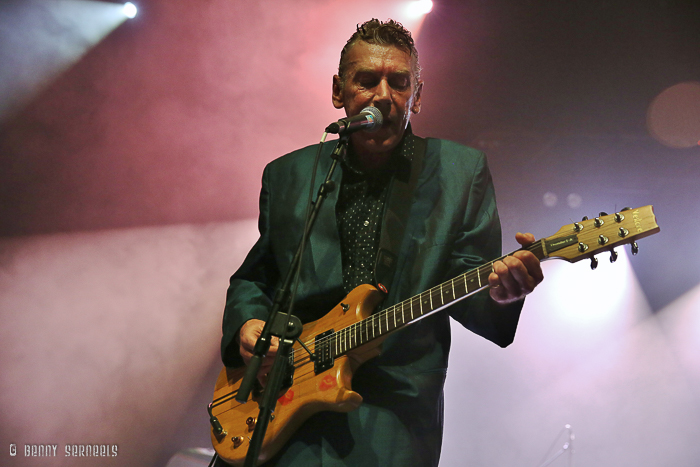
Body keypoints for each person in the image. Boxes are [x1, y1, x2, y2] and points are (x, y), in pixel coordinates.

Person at [219, 19, 544, 466]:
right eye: (366, 81)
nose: (383, 96)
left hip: (394, 420)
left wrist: (505, 294)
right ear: (339, 91)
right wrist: (247, 326)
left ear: (418, 95)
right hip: (287, 409)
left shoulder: (458, 173)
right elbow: (255, 280)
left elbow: (473, 291)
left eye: (399, 82)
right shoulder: (288, 176)